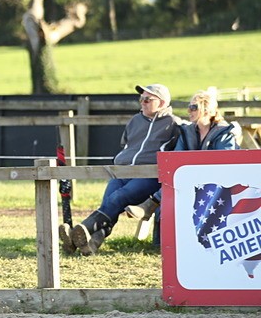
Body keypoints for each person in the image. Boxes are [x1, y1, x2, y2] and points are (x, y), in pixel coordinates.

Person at [61, 83, 181, 256]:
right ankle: (91, 243)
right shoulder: (135, 121)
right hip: (122, 172)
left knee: (117, 198)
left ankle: (80, 231)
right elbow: (126, 144)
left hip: (148, 176)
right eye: (141, 99)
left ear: (162, 103)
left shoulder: (174, 124)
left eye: (147, 99)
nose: (142, 102)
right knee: (108, 202)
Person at [125, 88, 241, 226]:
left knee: (183, 178)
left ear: (206, 110)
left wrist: (192, 167)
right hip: (190, 180)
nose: (188, 111)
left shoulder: (224, 133)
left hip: (217, 183)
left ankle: (151, 203)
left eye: (193, 107)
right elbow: (176, 159)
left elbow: (224, 164)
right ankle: (153, 211)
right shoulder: (187, 132)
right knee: (171, 185)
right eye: (189, 107)